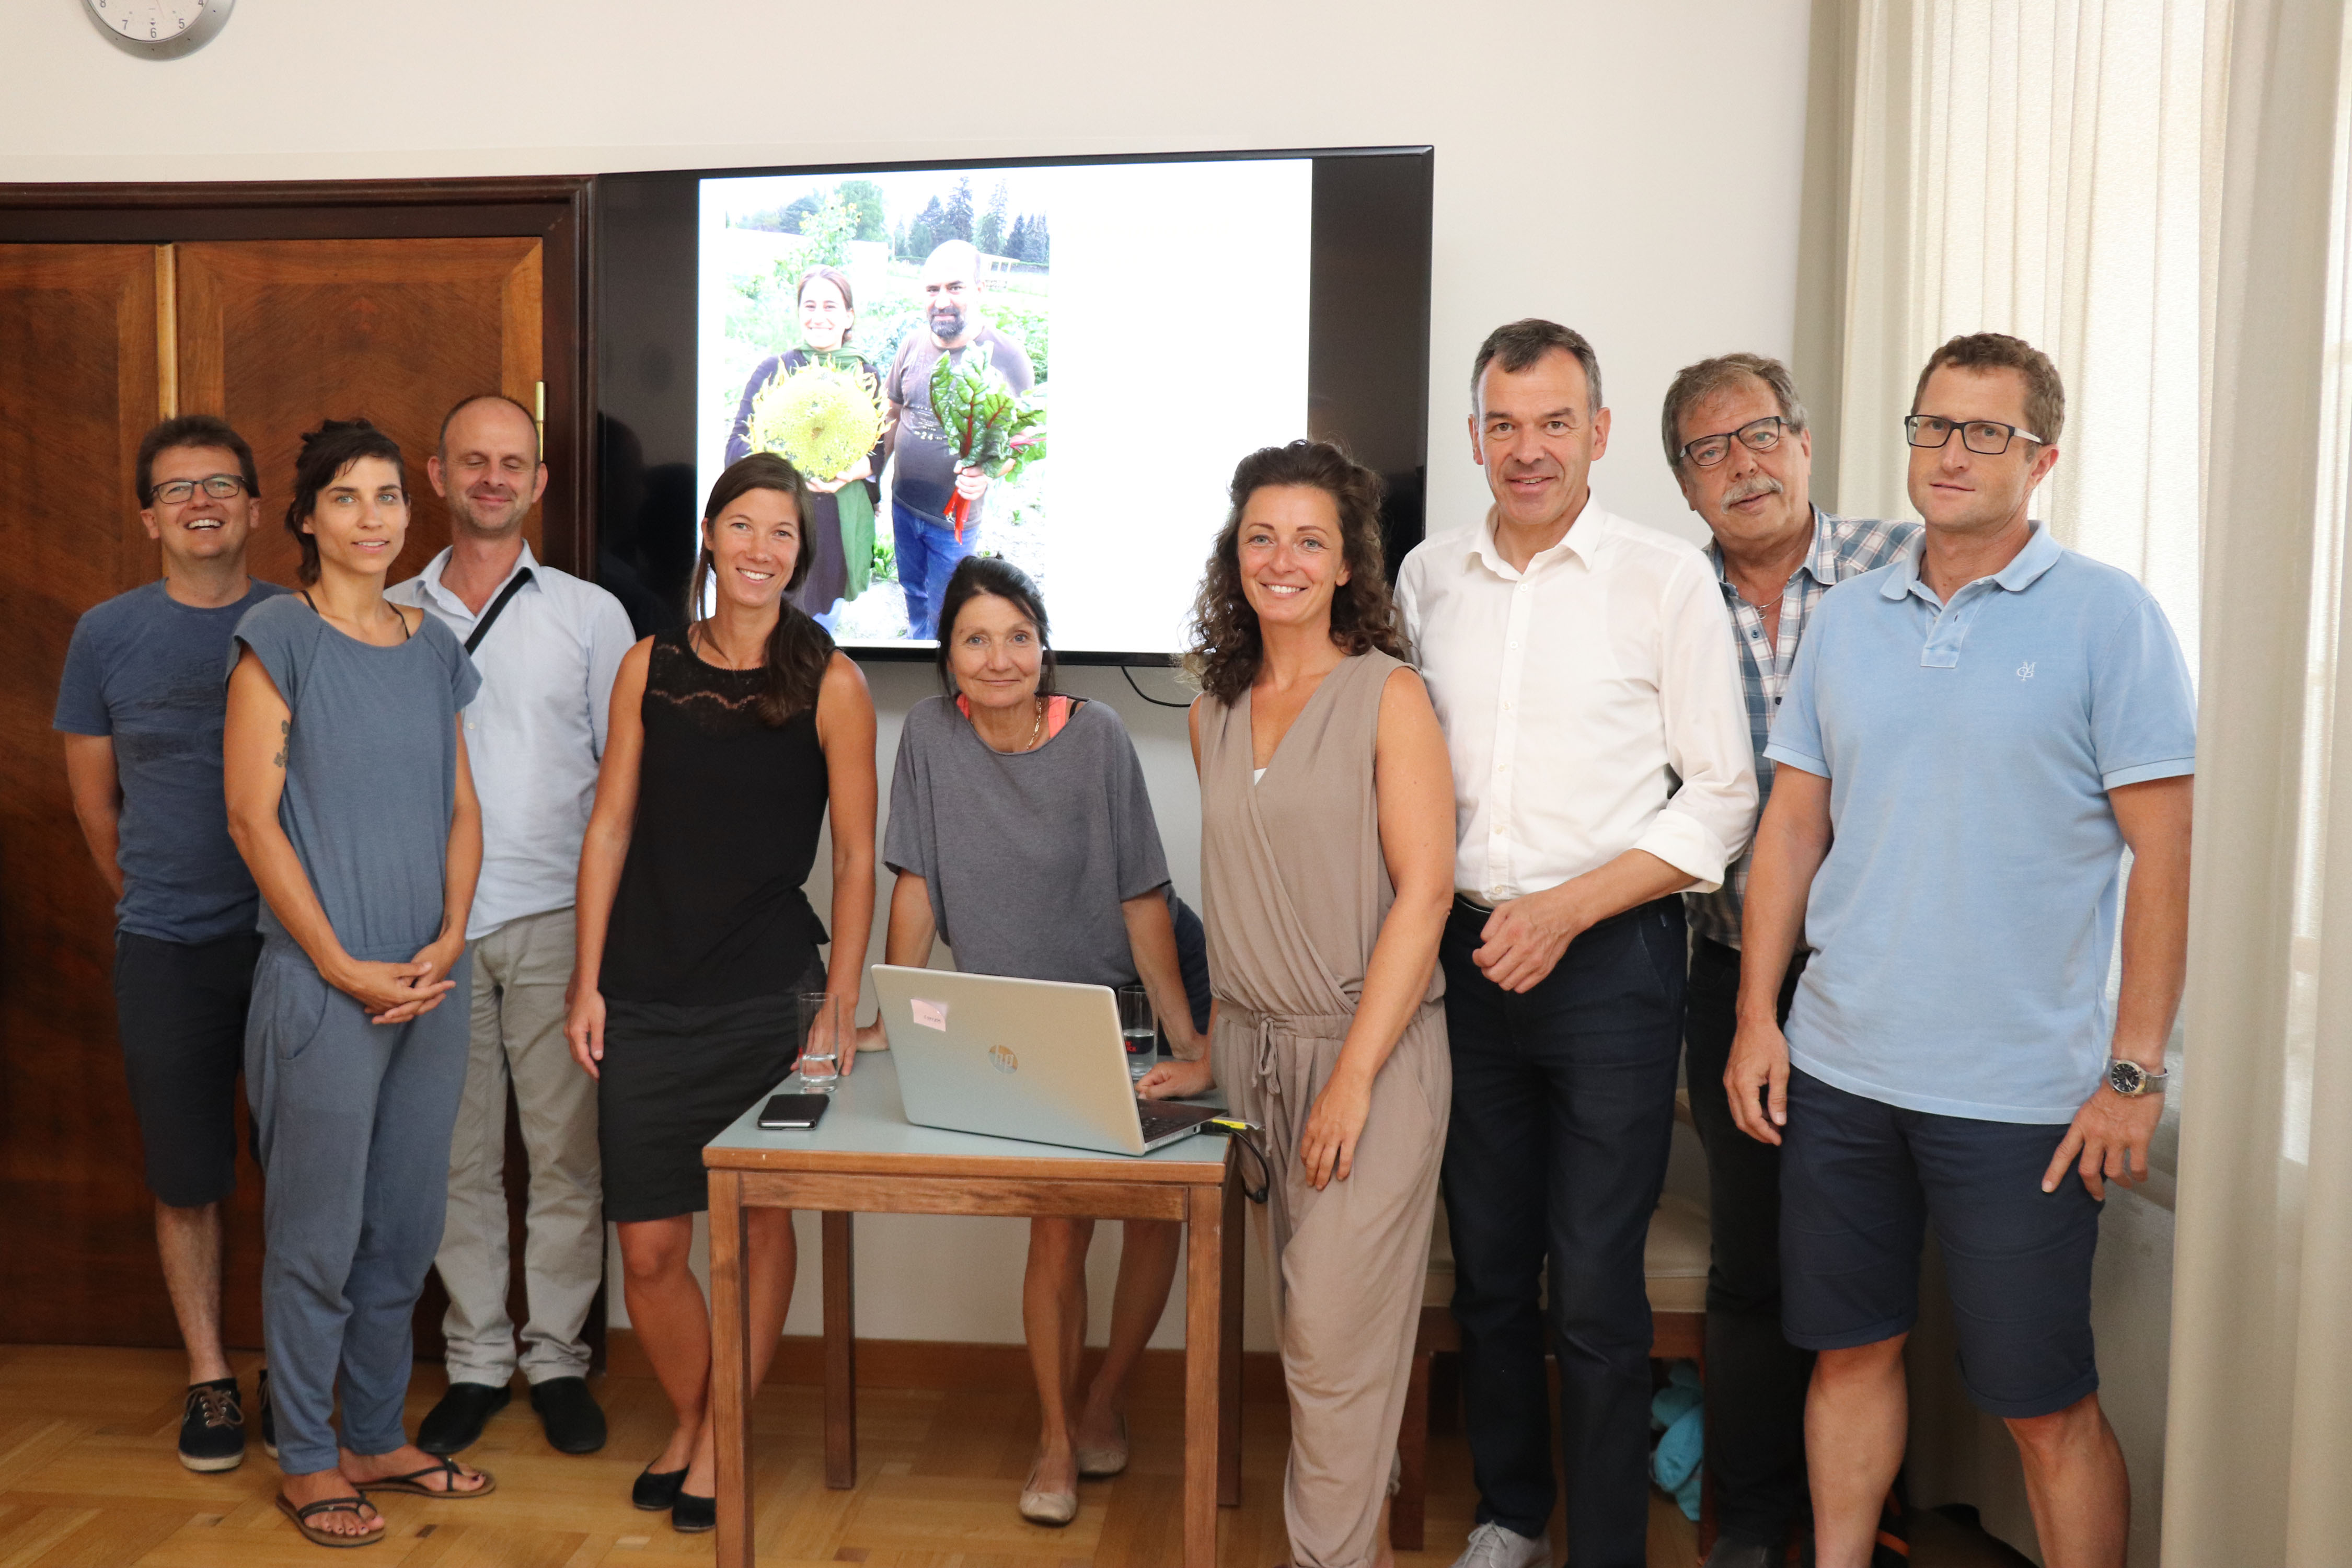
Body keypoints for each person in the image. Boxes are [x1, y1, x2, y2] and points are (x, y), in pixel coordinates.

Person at [1726, 333, 2195, 1568]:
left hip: (2021, 1097)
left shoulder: (2109, 617)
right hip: (1837, 1068)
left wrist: (2132, 1069)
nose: (1949, 451)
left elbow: (2164, 855)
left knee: (2041, 1404)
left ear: (2039, 458)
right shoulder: (1847, 621)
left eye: (1983, 431)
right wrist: (1753, 1018)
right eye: (1932, 425)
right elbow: (1786, 829)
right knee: (1847, 1352)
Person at [1397, 320, 1757, 1568]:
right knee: (1489, 1266)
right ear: (1472, 437)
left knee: (1595, 1287)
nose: (1527, 448)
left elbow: (1718, 796)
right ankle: (1509, 1515)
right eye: (1503, 424)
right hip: (1462, 958)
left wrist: (1563, 910)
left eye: (1554, 422)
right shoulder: (1425, 578)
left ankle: (1604, 1545)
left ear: (1597, 434)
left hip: (1606, 961)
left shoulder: (1662, 580)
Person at [1148, 440, 1456, 1568]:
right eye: (1261, 537)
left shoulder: (1389, 695)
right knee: (1319, 1350)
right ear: (1236, 556)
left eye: (1309, 540)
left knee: (1329, 1343)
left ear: (1346, 566)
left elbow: (1424, 896)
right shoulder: (1211, 709)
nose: (1282, 558)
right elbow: (1245, 894)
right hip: (1256, 1066)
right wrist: (1210, 1048)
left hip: (1370, 1063)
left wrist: (1355, 1081)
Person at [860, 553, 1208, 1526]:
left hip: (1133, 987)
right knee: (1058, 1220)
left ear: (1045, 648)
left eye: (1019, 636)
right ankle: (1057, 1435)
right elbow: (917, 885)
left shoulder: (1096, 737)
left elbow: (1144, 897)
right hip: (1020, 1014)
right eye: (976, 638)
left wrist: (1191, 1041)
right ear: (948, 657)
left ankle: (1107, 1397)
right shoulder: (929, 738)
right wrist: (893, 1012)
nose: (1001, 657)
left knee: (1153, 1211)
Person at [566, 452, 878, 1535]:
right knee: (650, 1250)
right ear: (709, 536)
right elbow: (608, 826)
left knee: (751, 1233)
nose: (760, 549)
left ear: (803, 551)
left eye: (782, 533)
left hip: (767, 996)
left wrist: (839, 1009)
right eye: (741, 526)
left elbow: (853, 859)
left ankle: (715, 1441)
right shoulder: (647, 664)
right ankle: (705, 1420)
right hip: (644, 988)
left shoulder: (834, 681)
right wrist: (585, 979)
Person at [1660, 354, 1919, 1568]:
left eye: (1758, 435)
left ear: (1803, 444)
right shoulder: (1662, 595)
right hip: (1728, 973)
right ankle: (1752, 1524)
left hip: (1890, 971)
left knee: (1877, 1259)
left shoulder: (1902, 561)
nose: (1741, 465)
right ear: (1681, 483)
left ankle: (1871, 1522)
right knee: (1754, 1260)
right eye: (1709, 451)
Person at [223, 418, 494, 1546]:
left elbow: (465, 809)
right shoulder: (276, 636)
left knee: (404, 1226)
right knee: (318, 1237)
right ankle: (306, 1453)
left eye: (389, 497)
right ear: (307, 519)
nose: (375, 517)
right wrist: (339, 963)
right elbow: (251, 816)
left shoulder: (434, 646)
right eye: (348, 497)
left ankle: (378, 1434)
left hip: (431, 985)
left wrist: (449, 937)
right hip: (322, 988)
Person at [387, 394, 637, 1461]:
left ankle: (559, 1362)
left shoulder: (592, 616)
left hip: (553, 922)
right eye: (472, 462)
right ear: (436, 476)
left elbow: (623, 794)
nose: (493, 479)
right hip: (429, 933)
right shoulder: (383, 609)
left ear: (540, 484)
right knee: (453, 1162)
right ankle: (480, 1359)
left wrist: (602, 950)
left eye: (513, 464)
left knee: (566, 1158)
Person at [54, 415, 287, 1473]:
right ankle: (209, 1377)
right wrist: (160, 897)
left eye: (223, 484)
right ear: (150, 516)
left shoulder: (302, 621)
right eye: (180, 488)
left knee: (306, 1170)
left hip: (295, 949)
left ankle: (297, 1363)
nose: (203, 502)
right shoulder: (106, 635)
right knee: (187, 1176)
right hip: (166, 947)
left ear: (251, 506)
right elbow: (96, 811)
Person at [882, 239, 1037, 638]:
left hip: (954, 524)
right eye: (932, 290)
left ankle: (937, 672)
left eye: (955, 287)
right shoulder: (912, 345)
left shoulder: (1008, 356)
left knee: (947, 612)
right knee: (912, 592)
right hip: (903, 507)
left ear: (980, 290)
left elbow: (1022, 441)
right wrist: (870, 482)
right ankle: (917, 646)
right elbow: (893, 416)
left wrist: (988, 471)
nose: (942, 300)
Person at [724, 266, 888, 628]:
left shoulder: (866, 376)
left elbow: (878, 451)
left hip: (832, 532)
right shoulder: (774, 371)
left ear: (849, 316)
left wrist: (852, 472)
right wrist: (785, 465)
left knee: (817, 638)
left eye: (831, 307)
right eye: (810, 306)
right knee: (766, 631)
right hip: (776, 527)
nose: (819, 316)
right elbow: (735, 448)